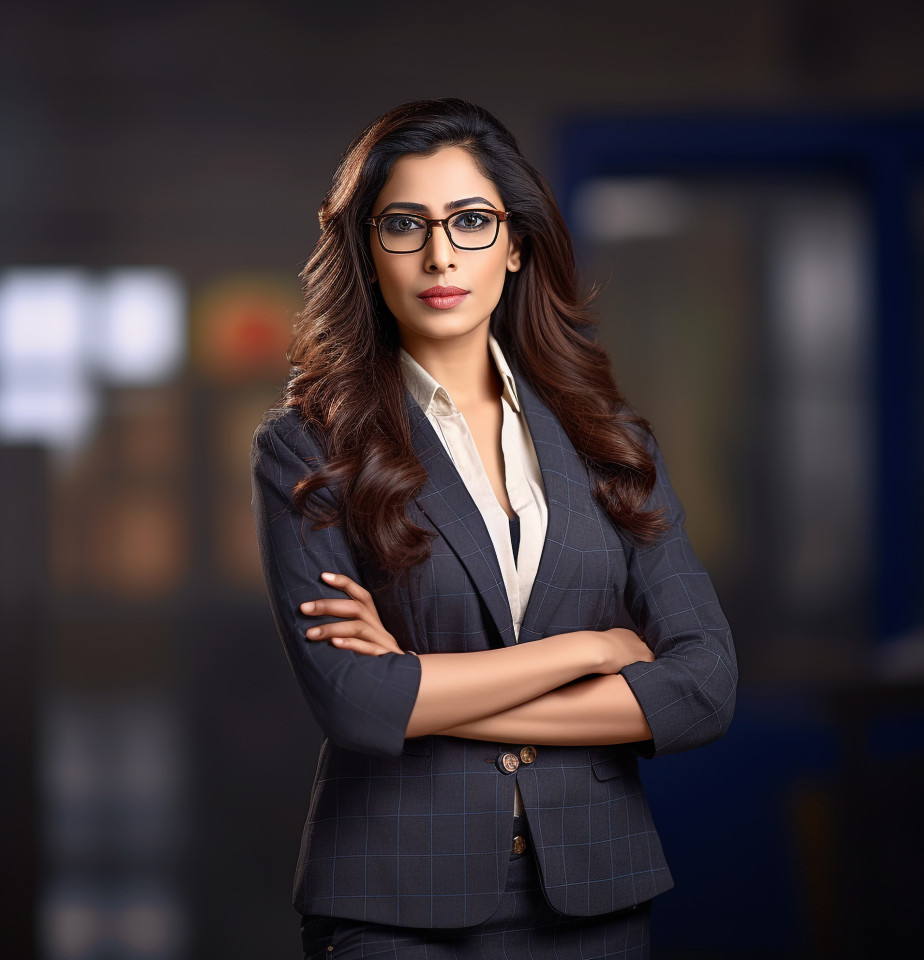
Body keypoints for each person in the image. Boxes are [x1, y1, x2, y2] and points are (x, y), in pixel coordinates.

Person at [251, 98, 736, 960]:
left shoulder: (610, 444)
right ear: (367, 249)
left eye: (471, 221)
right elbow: (357, 703)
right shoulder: (308, 446)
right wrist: (591, 651)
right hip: (393, 900)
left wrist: (422, 689)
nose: (441, 254)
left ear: (515, 244)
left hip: (595, 894)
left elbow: (703, 688)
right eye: (405, 224)